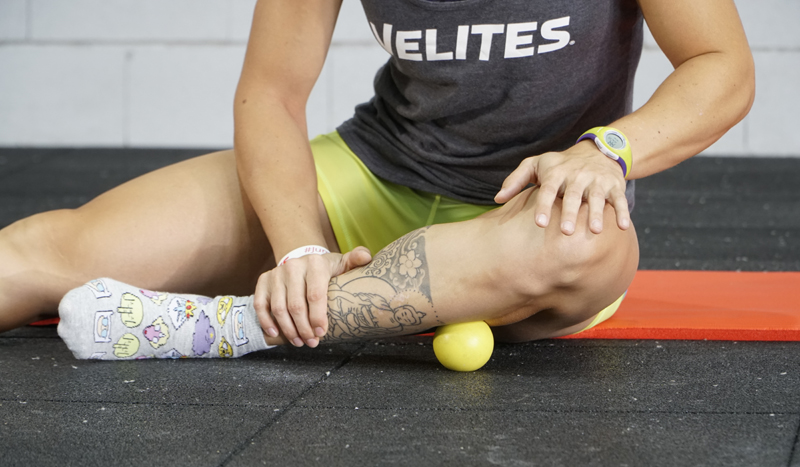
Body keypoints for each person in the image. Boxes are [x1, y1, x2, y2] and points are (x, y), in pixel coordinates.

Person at [0, 0, 754, 359]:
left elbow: (721, 66)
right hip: (373, 171)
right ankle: (326, 298)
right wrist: (297, 248)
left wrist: (608, 149)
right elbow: (271, 92)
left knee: (584, 244)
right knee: (54, 248)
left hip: (536, 212)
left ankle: (223, 330)